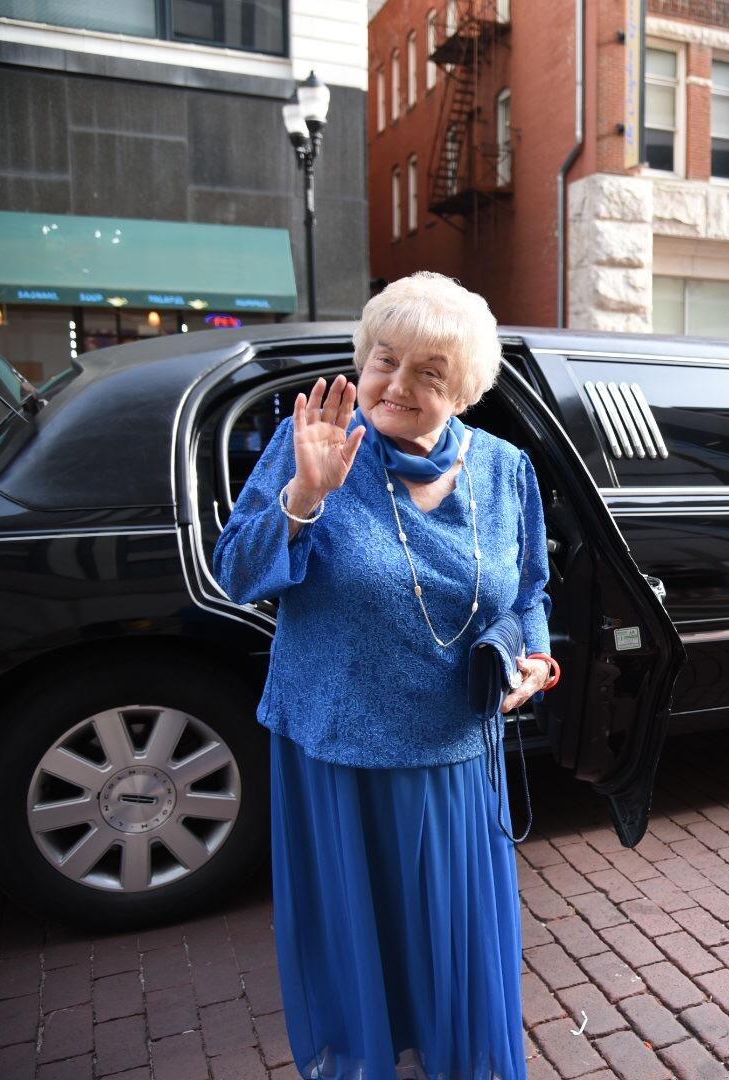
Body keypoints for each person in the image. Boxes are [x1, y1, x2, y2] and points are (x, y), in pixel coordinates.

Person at [213, 271, 558, 1080]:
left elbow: (533, 589)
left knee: (452, 941)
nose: (395, 385)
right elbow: (239, 572)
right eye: (382, 360)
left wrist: (535, 658)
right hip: (338, 750)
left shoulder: (506, 470)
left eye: (428, 372)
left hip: (454, 751)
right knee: (357, 941)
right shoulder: (314, 450)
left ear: (463, 390)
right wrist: (306, 494)